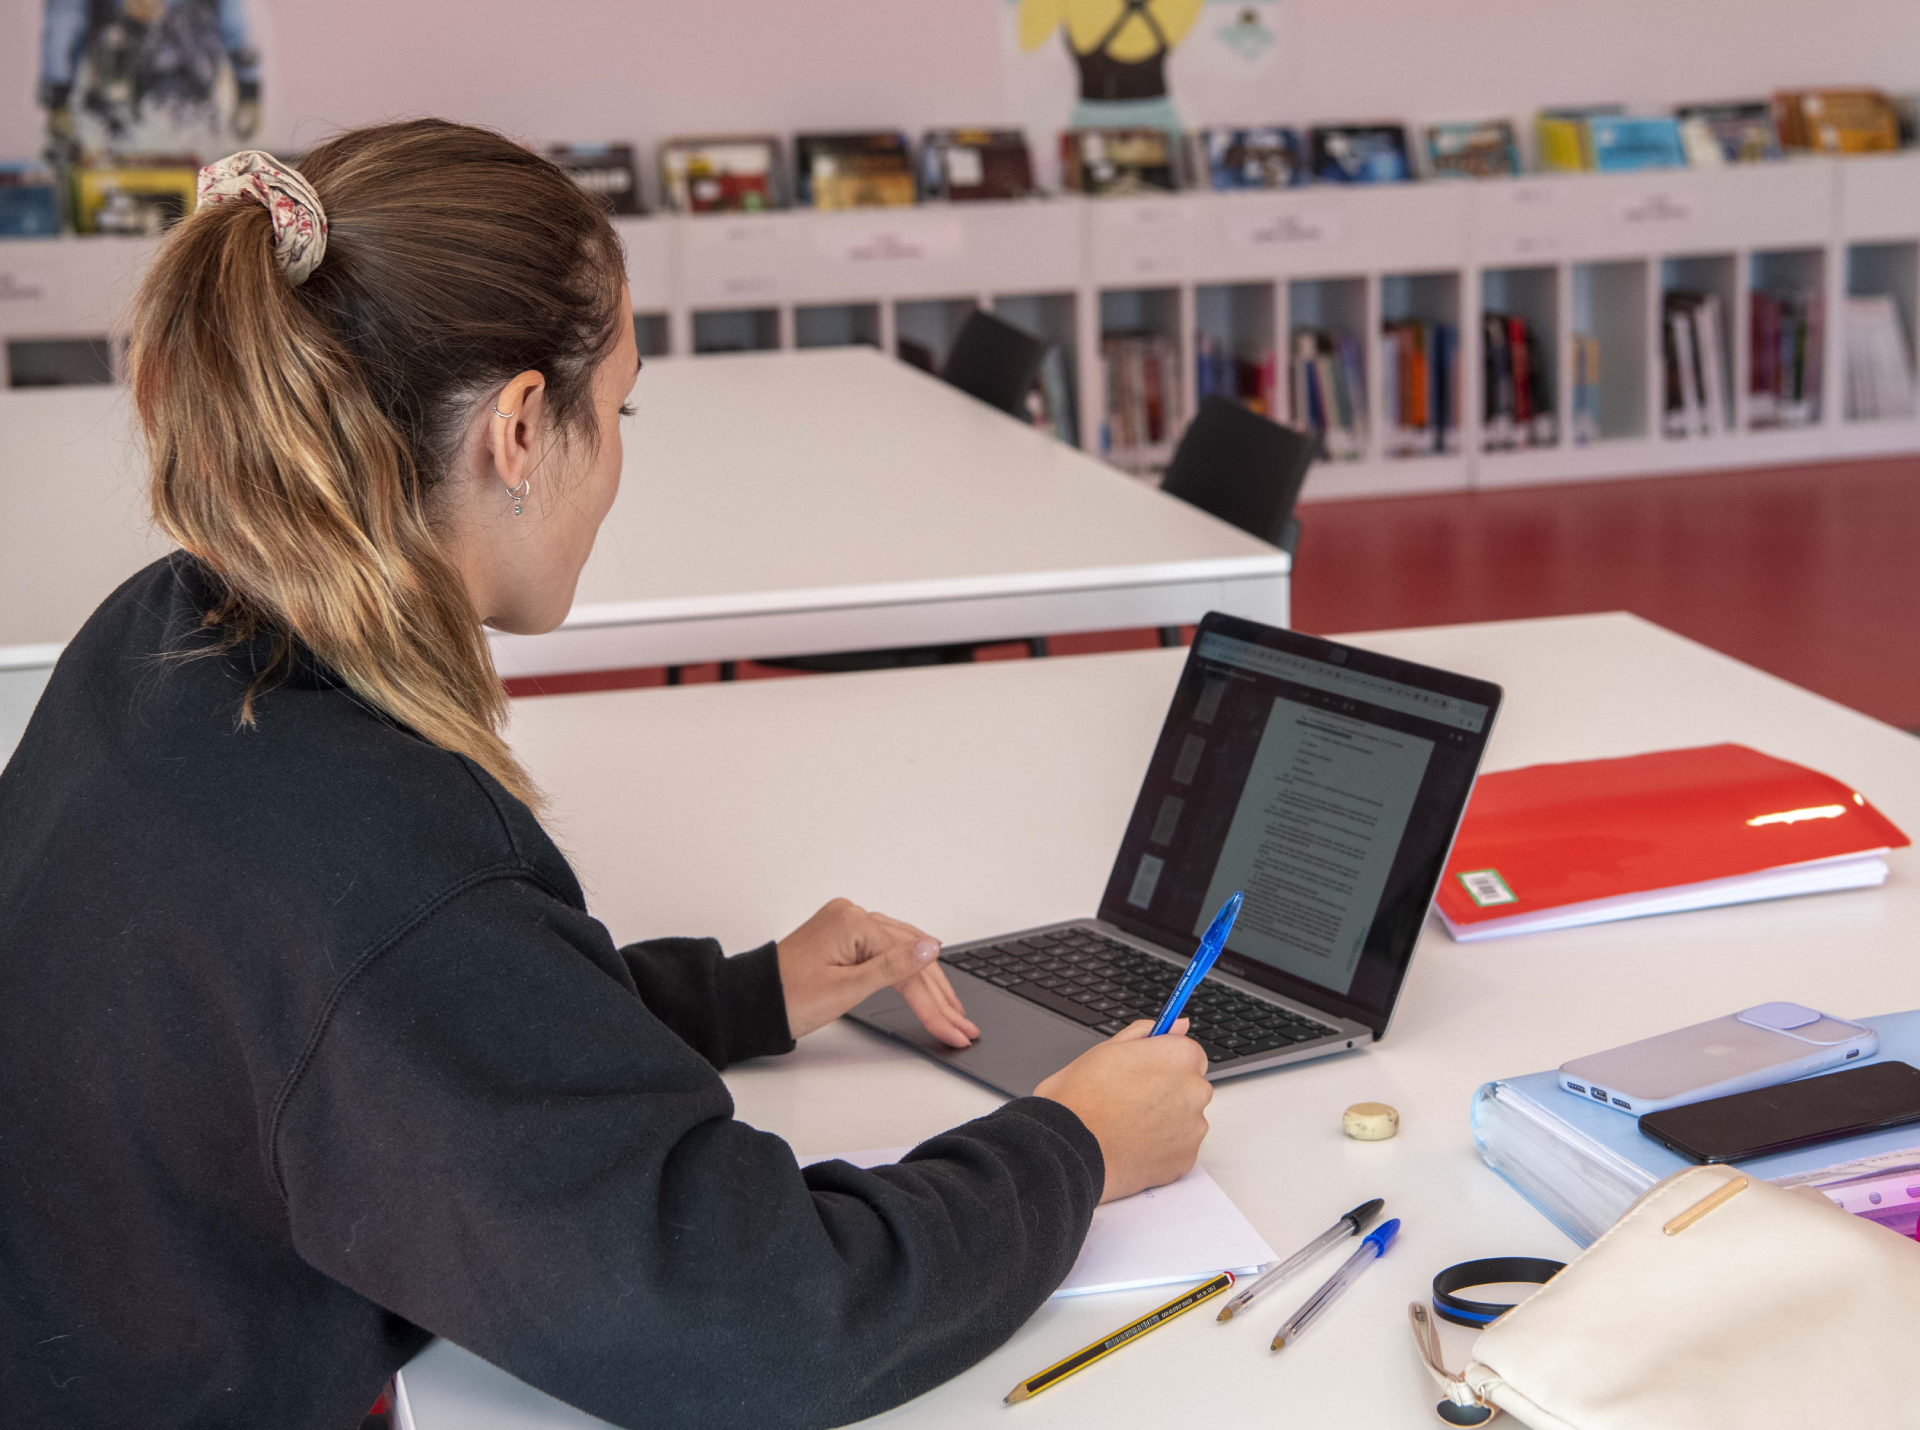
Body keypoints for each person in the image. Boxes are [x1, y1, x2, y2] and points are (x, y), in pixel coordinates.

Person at [0, 120, 1214, 1430]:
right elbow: (756, 1319)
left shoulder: (165, 629)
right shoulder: (390, 870)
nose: (622, 456)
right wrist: (1075, 1144)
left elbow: (380, 1041)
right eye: (618, 406)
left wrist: (743, 994)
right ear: (522, 427)